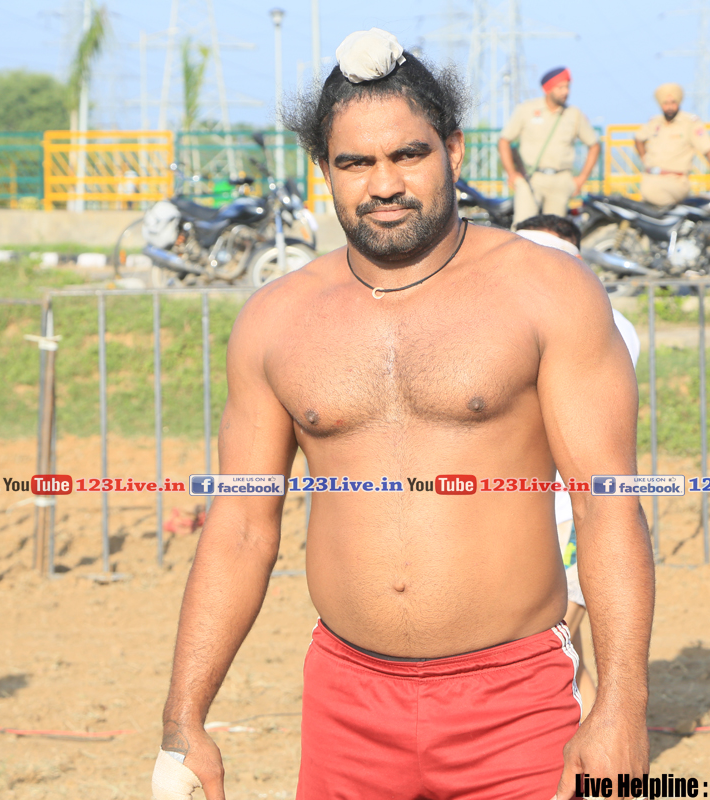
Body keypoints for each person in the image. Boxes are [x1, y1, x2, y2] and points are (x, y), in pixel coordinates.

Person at [152, 28, 652, 800]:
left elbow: (606, 505)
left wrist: (621, 704)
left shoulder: (546, 291)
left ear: (453, 150)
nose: (384, 183)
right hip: (346, 704)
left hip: (513, 700)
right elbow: (242, 526)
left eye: (408, 155)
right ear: (324, 170)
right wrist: (184, 718)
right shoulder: (275, 320)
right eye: (356, 162)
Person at [514, 213, 642, 720]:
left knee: (546, 648)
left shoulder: (603, 323)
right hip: (525, 513)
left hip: (573, 514)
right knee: (569, 658)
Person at [498, 67, 601, 224]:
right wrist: (511, 173)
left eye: (567, 87)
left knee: (554, 230)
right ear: (547, 89)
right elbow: (504, 141)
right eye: (560, 87)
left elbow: (594, 145)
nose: (565, 92)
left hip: (561, 180)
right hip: (531, 178)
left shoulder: (574, 114)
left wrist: (581, 179)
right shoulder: (527, 110)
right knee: (523, 228)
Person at [634, 83, 710, 206]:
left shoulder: (689, 123)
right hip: (650, 177)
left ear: (679, 103)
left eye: (673, 103)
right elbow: (638, 139)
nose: (670, 107)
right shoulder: (655, 122)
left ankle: (675, 213)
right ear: (661, 105)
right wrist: (644, 159)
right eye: (666, 103)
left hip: (676, 181)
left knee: (652, 192)